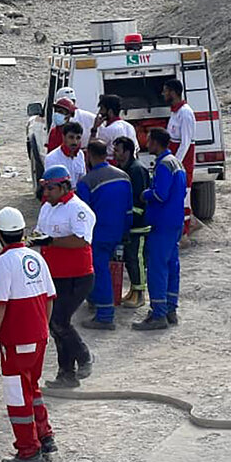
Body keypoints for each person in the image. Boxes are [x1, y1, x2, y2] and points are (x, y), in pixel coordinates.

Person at [0, 206, 57, 462]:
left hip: (17, 340)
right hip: (38, 336)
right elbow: (49, 298)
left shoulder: (4, 262)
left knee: (18, 395)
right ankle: (44, 435)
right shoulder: (36, 258)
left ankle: (28, 450)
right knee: (32, 387)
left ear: (1, 234)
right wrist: (43, 329)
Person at [30, 166, 96, 388]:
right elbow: (39, 234)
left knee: (59, 320)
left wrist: (50, 241)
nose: (46, 193)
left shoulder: (78, 210)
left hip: (78, 277)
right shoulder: (47, 208)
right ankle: (66, 373)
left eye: (50, 188)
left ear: (63, 186)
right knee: (55, 323)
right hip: (53, 276)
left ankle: (84, 355)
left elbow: (81, 241)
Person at [76, 140, 132, 330]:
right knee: (104, 270)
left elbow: (82, 214)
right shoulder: (123, 176)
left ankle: (105, 315)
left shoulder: (87, 181)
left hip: (98, 234)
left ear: (89, 156)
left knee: (100, 271)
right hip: (117, 232)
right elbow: (128, 210)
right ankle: (95, 300)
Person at [133, 128, 186, 331]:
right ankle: (170, 308)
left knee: (157, 268)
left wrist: (145, 194)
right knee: (172, 265)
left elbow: (161, 195)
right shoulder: (176, 162)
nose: (147, 143)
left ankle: (158, 314)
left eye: (149, 140)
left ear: (156, 142)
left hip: (162, 223)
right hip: (174, 221)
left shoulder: (164, 165)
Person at [114, 136, 150, 309]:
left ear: (127, 151)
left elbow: (140, 200)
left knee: (137, 258)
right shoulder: (125, 168)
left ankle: (140, 293)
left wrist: (130, 216)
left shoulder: (137, 170)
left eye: (117, 150)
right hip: (128, 224)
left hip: (139, 224)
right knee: (129, 259)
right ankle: (134, 290)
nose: (115, 154)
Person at [163, 79, 196, 240]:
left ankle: (184, 234)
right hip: (175, 161)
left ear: (173, 92)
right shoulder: (175, 112)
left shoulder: (185, 112)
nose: (163, 94)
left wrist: (175, 164)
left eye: (165, 91)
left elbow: (186, 142)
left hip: (182, 163)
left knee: (184, 197)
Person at [90, 94, 137, 162]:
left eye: (102, 109)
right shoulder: (130, 127)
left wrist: (95, 128)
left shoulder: (108, 130)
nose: (100, 112)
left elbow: (93, 149)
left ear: (110, 111)